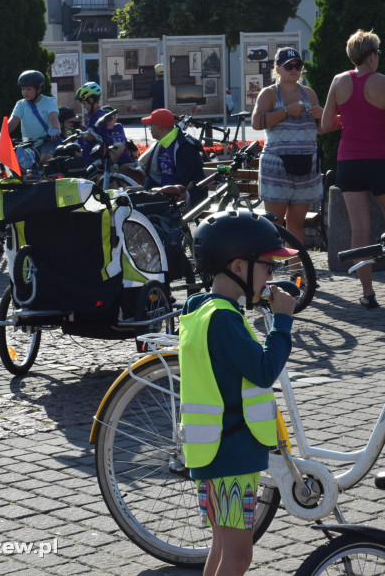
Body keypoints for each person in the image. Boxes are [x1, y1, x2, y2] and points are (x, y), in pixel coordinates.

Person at [180, 210, 296, 576]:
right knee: (238, 557)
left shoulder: (203, 309)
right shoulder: (225, 319)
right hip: (231, 453)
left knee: (221, 548)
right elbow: (263, 371)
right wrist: (283, 321)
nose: (271, 277)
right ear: (238, 266)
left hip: (216, 450)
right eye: (266, 267)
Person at [320, 29, 385, 308]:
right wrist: (380, 124)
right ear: (373, 55)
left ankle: (367, 294)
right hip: (380, 160)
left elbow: (326, 125)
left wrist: (349, 120)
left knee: (359, 230)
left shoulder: (338, 81)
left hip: (349, 162)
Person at [251, 48, 324, 261]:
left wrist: (321, 116)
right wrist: (286, 111)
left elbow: (322, 129)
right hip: (277, 167)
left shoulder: (309, 93)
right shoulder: (269, 93)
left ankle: (297, 275)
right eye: (289, 66)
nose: (294, 70)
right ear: (277, 69)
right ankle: (266, 276)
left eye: (298, 66)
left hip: (306, 167)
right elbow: (256, 123)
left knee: (296, 225)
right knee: (274, 225)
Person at [139, 108, 206, 205]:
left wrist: (157, 193)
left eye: (151, 125)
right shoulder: (162, 142)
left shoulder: (185, 147)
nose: (149, 128)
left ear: (159, 128)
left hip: (189, 194)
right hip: (166, 191)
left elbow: (181, 183)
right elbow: (152, 175)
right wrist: (146, 192)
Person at [6, 70, 61, 164]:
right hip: (27, 144)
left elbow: (53, 116)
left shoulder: (49, 101)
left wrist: (56, 128)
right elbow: (13, 121)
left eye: (28, 89)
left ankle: (48, 178)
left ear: (38, 89)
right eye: (23, 89)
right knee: (19, 167)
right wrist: (3, 134)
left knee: (46, 159)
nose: (25, 92)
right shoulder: (21, 104)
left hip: (46, 141)